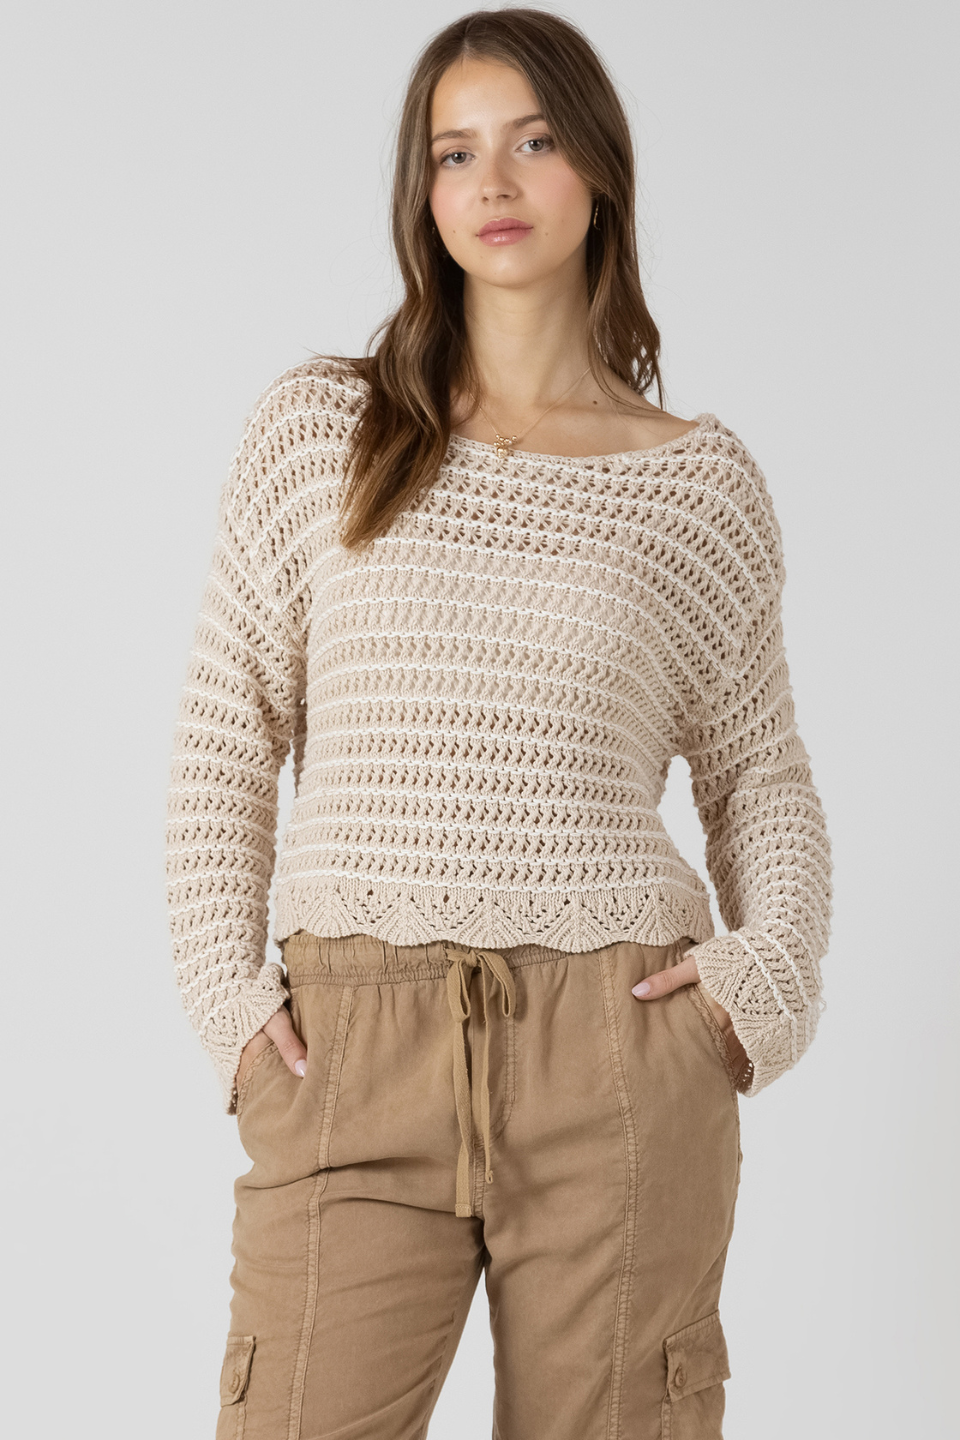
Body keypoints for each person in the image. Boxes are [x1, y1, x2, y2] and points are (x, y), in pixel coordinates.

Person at [165, 8, 833, 1437]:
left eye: (533, 141)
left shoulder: (696, 485)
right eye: (455, 152)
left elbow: (761, 778)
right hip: (350, 1040)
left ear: (598, 168)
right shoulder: (322, 432)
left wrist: (756, 986)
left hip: (620, 1049)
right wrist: (233, 1007)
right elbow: (226, 740)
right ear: (424, 194)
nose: (495, 181)